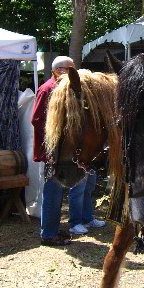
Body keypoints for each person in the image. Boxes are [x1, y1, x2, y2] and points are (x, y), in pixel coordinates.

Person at [31, 56, 105, 246]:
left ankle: (56, 229)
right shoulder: (47, 89)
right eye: (69, 69)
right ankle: (48, 234)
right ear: (58, 70)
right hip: (52, 152)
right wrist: (57, 137)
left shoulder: (66, 88)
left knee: (68, 189)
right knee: (53, 192)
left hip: (63, 151)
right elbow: (37, 120)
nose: (73, 73)